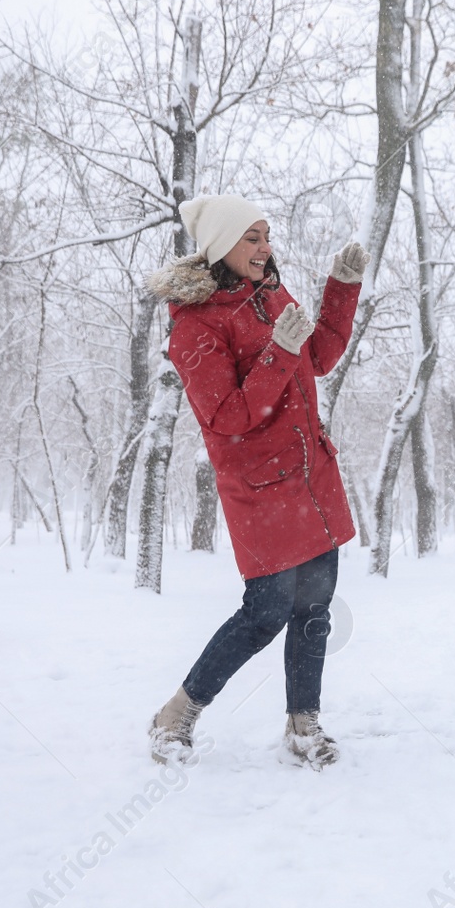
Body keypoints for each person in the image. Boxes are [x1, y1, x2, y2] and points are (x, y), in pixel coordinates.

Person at [144, 193, 368, 769]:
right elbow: (227, 417)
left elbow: (315, 357)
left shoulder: (269, 292)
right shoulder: (194, 326)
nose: (266, 249)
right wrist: (278, 353)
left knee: (315, 606)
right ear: (221, 245)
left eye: (267, 236)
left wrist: (339, 294)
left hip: (310, 475)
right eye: (253, 238)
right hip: (260, 489)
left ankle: (303, 725)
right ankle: (178, 713)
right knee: (265, 611)